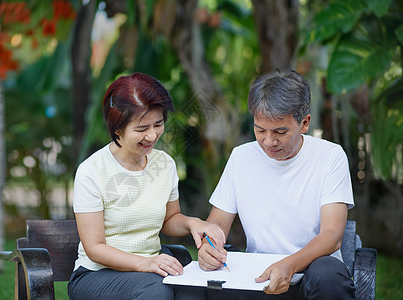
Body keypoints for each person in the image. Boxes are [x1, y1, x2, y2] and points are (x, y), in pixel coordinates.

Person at [198, 70, 356, 299]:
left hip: (311, 272)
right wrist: (208, 246)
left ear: (305, 123)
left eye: (280, 132)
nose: (268, 142)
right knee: (211, 286)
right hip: (259, 276)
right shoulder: (241, 157)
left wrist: (289, 265)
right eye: (260, 130)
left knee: (327, 275)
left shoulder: (330, 156)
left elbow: (332, 235)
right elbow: (217, 224)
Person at [67, 72, 224, 300]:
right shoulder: (92, 171)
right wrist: (145, 263)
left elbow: (170, 220)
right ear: (117, 129)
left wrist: (193, 223)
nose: (152, 135)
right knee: (157, 291)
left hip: (152, 268)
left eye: (158, 124)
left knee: (193, 293)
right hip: (97, 275)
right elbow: (95, 248)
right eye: (141, 129)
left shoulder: (164, 164)